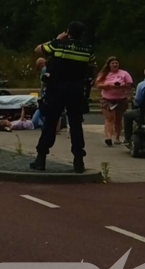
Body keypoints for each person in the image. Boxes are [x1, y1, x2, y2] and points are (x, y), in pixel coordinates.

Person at [30, 21, 96, 173]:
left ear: (68, 32)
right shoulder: (88, 50)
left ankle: (41, 158)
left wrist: (58, 38)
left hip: (56, 89)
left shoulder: (58, 45)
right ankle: (78, 160)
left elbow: (38, 50)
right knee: (76, 125)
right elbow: (91, 67)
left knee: (50, 123)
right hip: (76, 90)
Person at [94, 56, 133, 146]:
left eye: (116, 63)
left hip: (121, 99)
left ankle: (117, 137)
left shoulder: (124, 73)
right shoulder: (104, 74)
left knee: (118, 119)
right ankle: (108, 137)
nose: (115, 65)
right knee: (109, 118)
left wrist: (122, 85)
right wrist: (108, 85)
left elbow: (129, 84)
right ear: (109, 65)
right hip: (107, 99)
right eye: (113, 63)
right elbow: (98, 84)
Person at [31, 57, 66, 133]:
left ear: (41, 64)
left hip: (47, 92)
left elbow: (43, 82)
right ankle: (57, 128)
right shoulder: (53, 68)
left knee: (45, 110)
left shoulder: (44, 69)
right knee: (57, 111)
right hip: (58, 91)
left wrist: (41, 93)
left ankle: (49, 127)